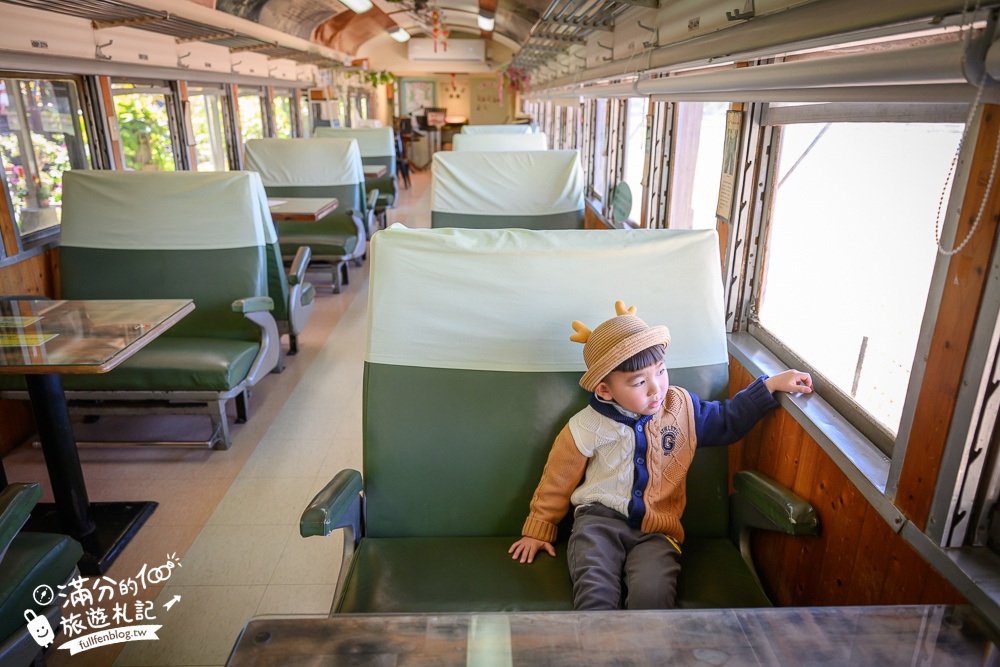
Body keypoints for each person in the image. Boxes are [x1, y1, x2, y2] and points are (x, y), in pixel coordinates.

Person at [508, 300, 813, 611]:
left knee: (652, 597)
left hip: (657, 530)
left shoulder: (680, 408)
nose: (657, 388)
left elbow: (727, 420)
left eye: (661, 371)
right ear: (604, 391)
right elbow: (557, 479)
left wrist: (771, 386)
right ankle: (597, 649)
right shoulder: (585, 426)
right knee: (595, 590)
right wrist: (538, 528)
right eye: (640, 382)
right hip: (597, 523)